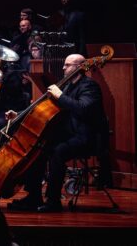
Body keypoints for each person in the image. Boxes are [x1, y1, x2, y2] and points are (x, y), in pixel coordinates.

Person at [7, 53, 109, 212]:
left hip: (87, 137)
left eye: (67, 65)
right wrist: (19, 114)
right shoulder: (68, 85)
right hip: (70, 134)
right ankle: (34, 197)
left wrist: (60, 95)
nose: (63, 67)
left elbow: (83, 109)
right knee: (38, 148)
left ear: (79, 67)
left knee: (57, 152)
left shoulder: (89, 86)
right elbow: (45, 108)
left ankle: (53, 201)